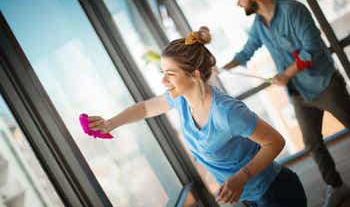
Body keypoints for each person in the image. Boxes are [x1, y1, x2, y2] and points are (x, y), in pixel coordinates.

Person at [88, 27, 307, 207]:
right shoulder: (181, 100)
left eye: (170, 74)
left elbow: (276, 142)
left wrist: (240, 178)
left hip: (276, 193)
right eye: (162, 73)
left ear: (195, 75)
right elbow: (145, 109)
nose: (164, 82)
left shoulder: (226, 112)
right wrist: (109, 124)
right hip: (250, 196)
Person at [221, 0, 350, 207]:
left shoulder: (293, 10)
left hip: (324, 84)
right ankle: (337, 186)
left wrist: (286, 74)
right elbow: (246, 52)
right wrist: (221, 67)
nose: (238, 3)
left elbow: (311, 49)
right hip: (299, 94)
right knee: (312, 142)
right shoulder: (259, 25)